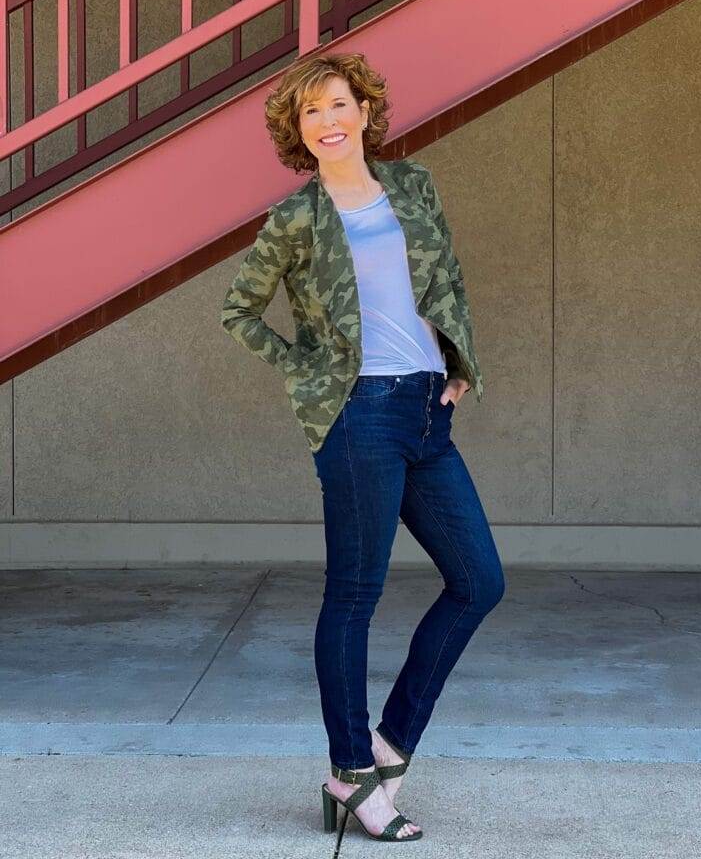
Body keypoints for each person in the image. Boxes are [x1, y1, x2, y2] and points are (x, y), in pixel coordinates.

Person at [221, 51, 505, 842]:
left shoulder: (412, 186)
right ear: (297, 129)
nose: (328, 121)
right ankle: (350, 773)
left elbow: (447, 276)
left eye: (338, 103)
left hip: (423, 412)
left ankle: (390, 743)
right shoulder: (296, 219)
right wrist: (312, 374)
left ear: (364, 110)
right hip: (357, 419)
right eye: (310, 111)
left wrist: (458, 363)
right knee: (354, 595)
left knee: (480, 581)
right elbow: (238, 312)